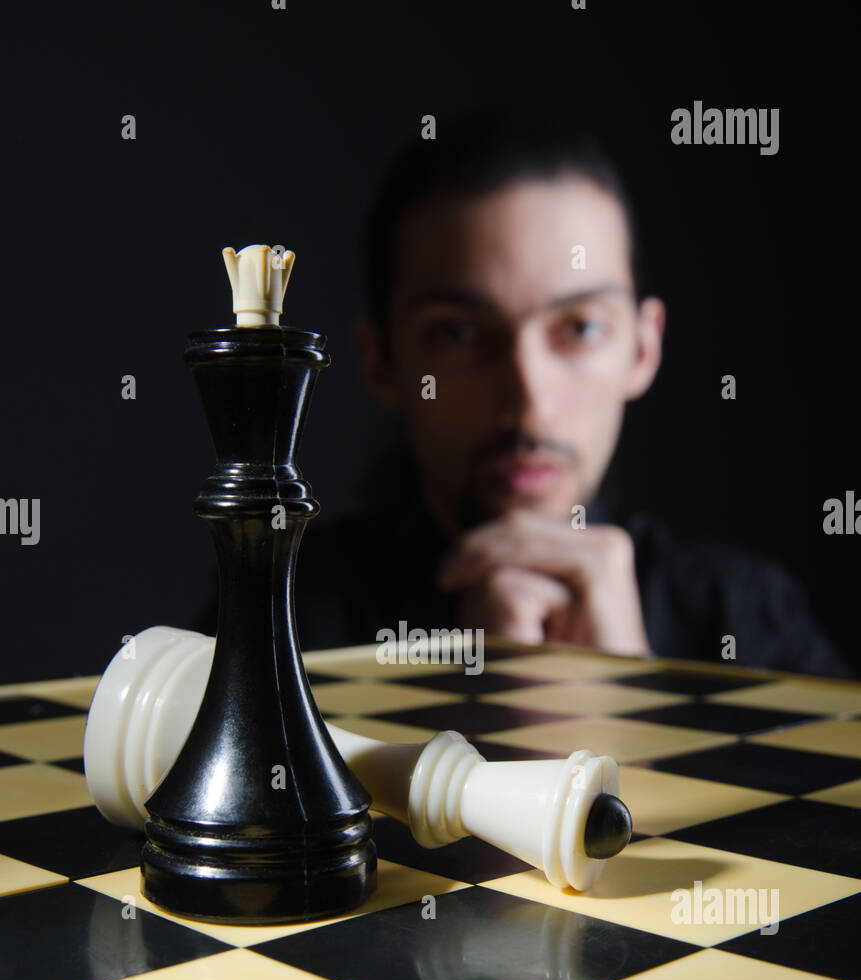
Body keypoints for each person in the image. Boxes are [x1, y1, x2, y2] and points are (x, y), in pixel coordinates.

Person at [201, 106, 852, 678]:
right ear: (382, 363)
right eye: (457, 334)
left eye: (580, 328)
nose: (528, 402)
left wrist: (634, 702)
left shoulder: (740, 610)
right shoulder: (279, 609)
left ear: (643, 347)